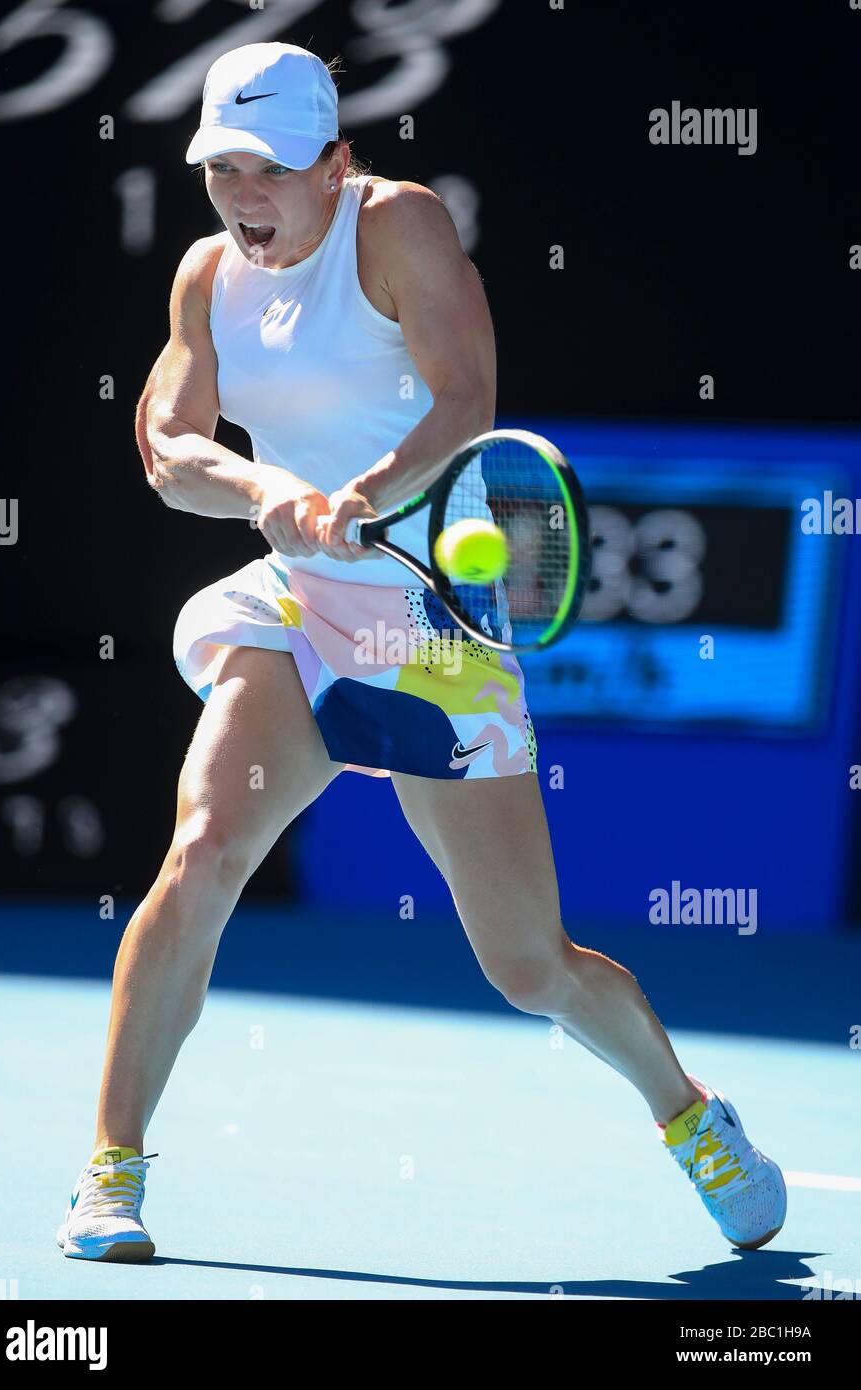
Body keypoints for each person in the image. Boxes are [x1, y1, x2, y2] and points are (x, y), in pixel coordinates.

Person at [57, 41, 786, 1262]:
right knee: (203, 849)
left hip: (424, 626)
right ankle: (112, 1177)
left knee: (526, 966)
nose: (243, 196)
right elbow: (166, 445)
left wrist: (368, 488)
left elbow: (466, 401)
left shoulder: (399, 228)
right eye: (221, 168)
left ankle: (692, 1115)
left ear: (334, 164)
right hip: (294, 608)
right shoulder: (206, 277)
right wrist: (266, 492)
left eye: (270, 171)